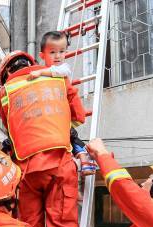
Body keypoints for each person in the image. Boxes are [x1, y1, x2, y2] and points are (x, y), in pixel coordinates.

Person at [0, 50, 86, 227]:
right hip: (60, 164)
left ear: (5, 74)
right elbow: (79, 116)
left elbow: (12, 130)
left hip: (27, 171)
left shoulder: (5, 92)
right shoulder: (59, 78)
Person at [28, 30, 96, 176]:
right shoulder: (41, 72)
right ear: (42, 55)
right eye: (52, 52)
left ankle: (84, 157)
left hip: (63, 113)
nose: (58, 56)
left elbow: (57, 72)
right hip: (51, 114)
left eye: (62, 51)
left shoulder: (63, 69)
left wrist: (39, 73)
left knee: (70, 135)